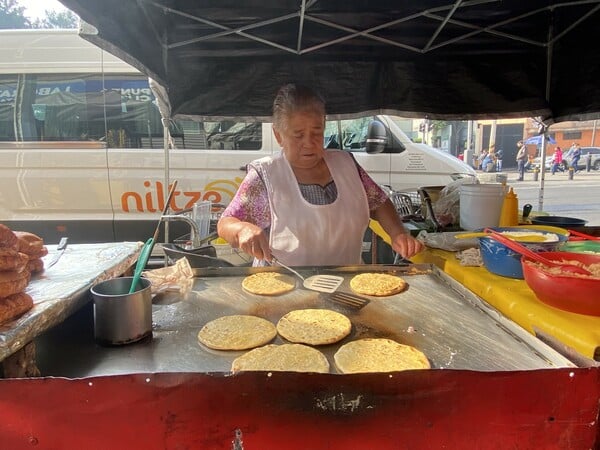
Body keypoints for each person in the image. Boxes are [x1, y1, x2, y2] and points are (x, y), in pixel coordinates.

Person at [217, 83, 423, 266]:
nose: (309, 142)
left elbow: (378, 203)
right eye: (298, 135)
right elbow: (226, 222)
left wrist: (397, 234)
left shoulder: (346, 165)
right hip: (284, 289)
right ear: (278, 135)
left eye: (317, 132)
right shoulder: (266, 175)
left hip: (346, 286)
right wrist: (242, 229)